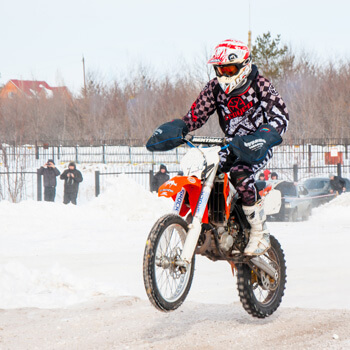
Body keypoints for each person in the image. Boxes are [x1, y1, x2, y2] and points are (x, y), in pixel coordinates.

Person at [146, 39, 289, 256]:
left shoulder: (260, 85)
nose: (223, 74)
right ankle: (209, 224)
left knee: (241, 172)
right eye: (219, 69)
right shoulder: (215, 88)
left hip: (257, 145)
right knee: (202, 169)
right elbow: (196, 115)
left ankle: (260, 233)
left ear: (244, 65)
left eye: (229, 68)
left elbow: (280, 116)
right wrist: (180, 128)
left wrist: (264, 136)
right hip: (232, 145)